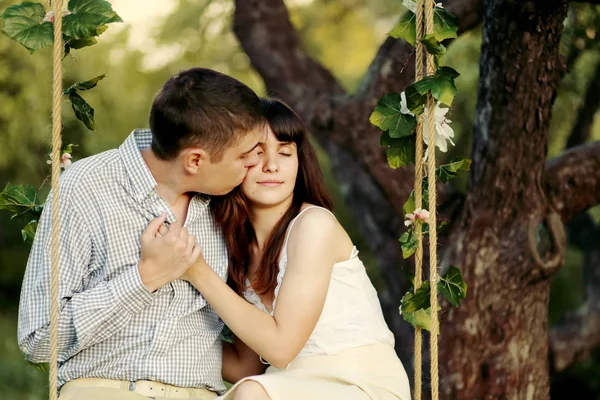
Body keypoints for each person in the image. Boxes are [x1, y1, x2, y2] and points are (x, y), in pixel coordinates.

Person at [17, 68, 266, 400]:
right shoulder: (86, 187)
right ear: (194, 160)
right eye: (244, 156)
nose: (254, 163)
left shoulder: (231, 203)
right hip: (105, 390)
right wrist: (145, 277)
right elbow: (38, 339)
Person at [178, 98, 411, 400]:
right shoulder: (235, 250)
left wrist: (197, 272)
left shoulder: (314, 225)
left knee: (250, 394)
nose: (272, 165)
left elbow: (280, 348)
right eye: (257, 153)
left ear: (300, 163)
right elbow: (245, 367)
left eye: (285, 153)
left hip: (357, 382)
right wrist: (173, 339)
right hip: (285, 385)